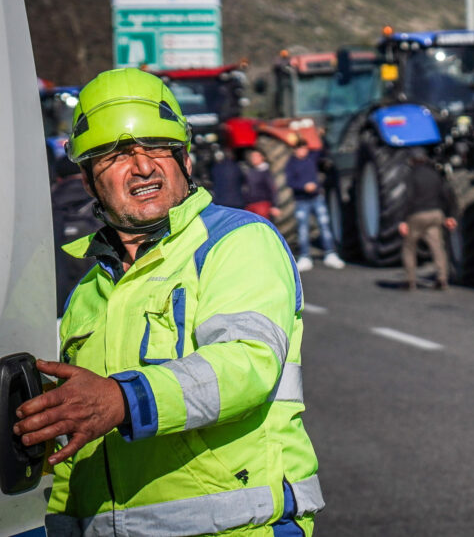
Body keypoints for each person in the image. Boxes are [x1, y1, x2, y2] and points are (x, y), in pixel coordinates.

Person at [13, 68, 323, 535]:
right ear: (86, 179)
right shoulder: (88, 293)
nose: (142, 166)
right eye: (115, 154)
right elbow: (73, 439)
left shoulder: (237, 241)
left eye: (157, 147)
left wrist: (123, 398)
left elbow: (246, 364)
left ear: (185, 160)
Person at [397, 150, 458, 289]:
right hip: (436, 215)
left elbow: (408, 198)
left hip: (417, 216)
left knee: (409, 247)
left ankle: (410, 281)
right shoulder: (435, 174)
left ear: (412, 160)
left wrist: (403, 220)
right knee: (437, 247)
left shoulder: (411, 176)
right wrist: (449, 216)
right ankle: (442, 279)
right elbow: (446, 194)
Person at [49, 155, 100, 317]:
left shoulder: (43, 208)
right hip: (92, 312)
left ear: (58, 177)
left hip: (51, 311)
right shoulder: (102, 208)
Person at [284, 138, 344, 272]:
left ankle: (330, 253)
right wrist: (303, 187)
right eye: (299, 149)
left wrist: (321, 136)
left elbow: (324, 149)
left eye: (304, 148)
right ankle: (305, 256)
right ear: (295, 150)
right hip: (301, 200)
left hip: (316, 198)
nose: (302, 151)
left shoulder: (312, 158)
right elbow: (290, 182)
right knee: (303, 229)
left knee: (324, 225)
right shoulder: (291, 164)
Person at [244, 147, 281, 220]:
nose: (254, 158)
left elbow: (273, 190)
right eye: (252, 157)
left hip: (262, 205)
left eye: (256, 156)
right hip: (250, 205)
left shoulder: (266, 173)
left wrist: (275, 205)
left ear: (262, 157)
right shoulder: (250, 172)